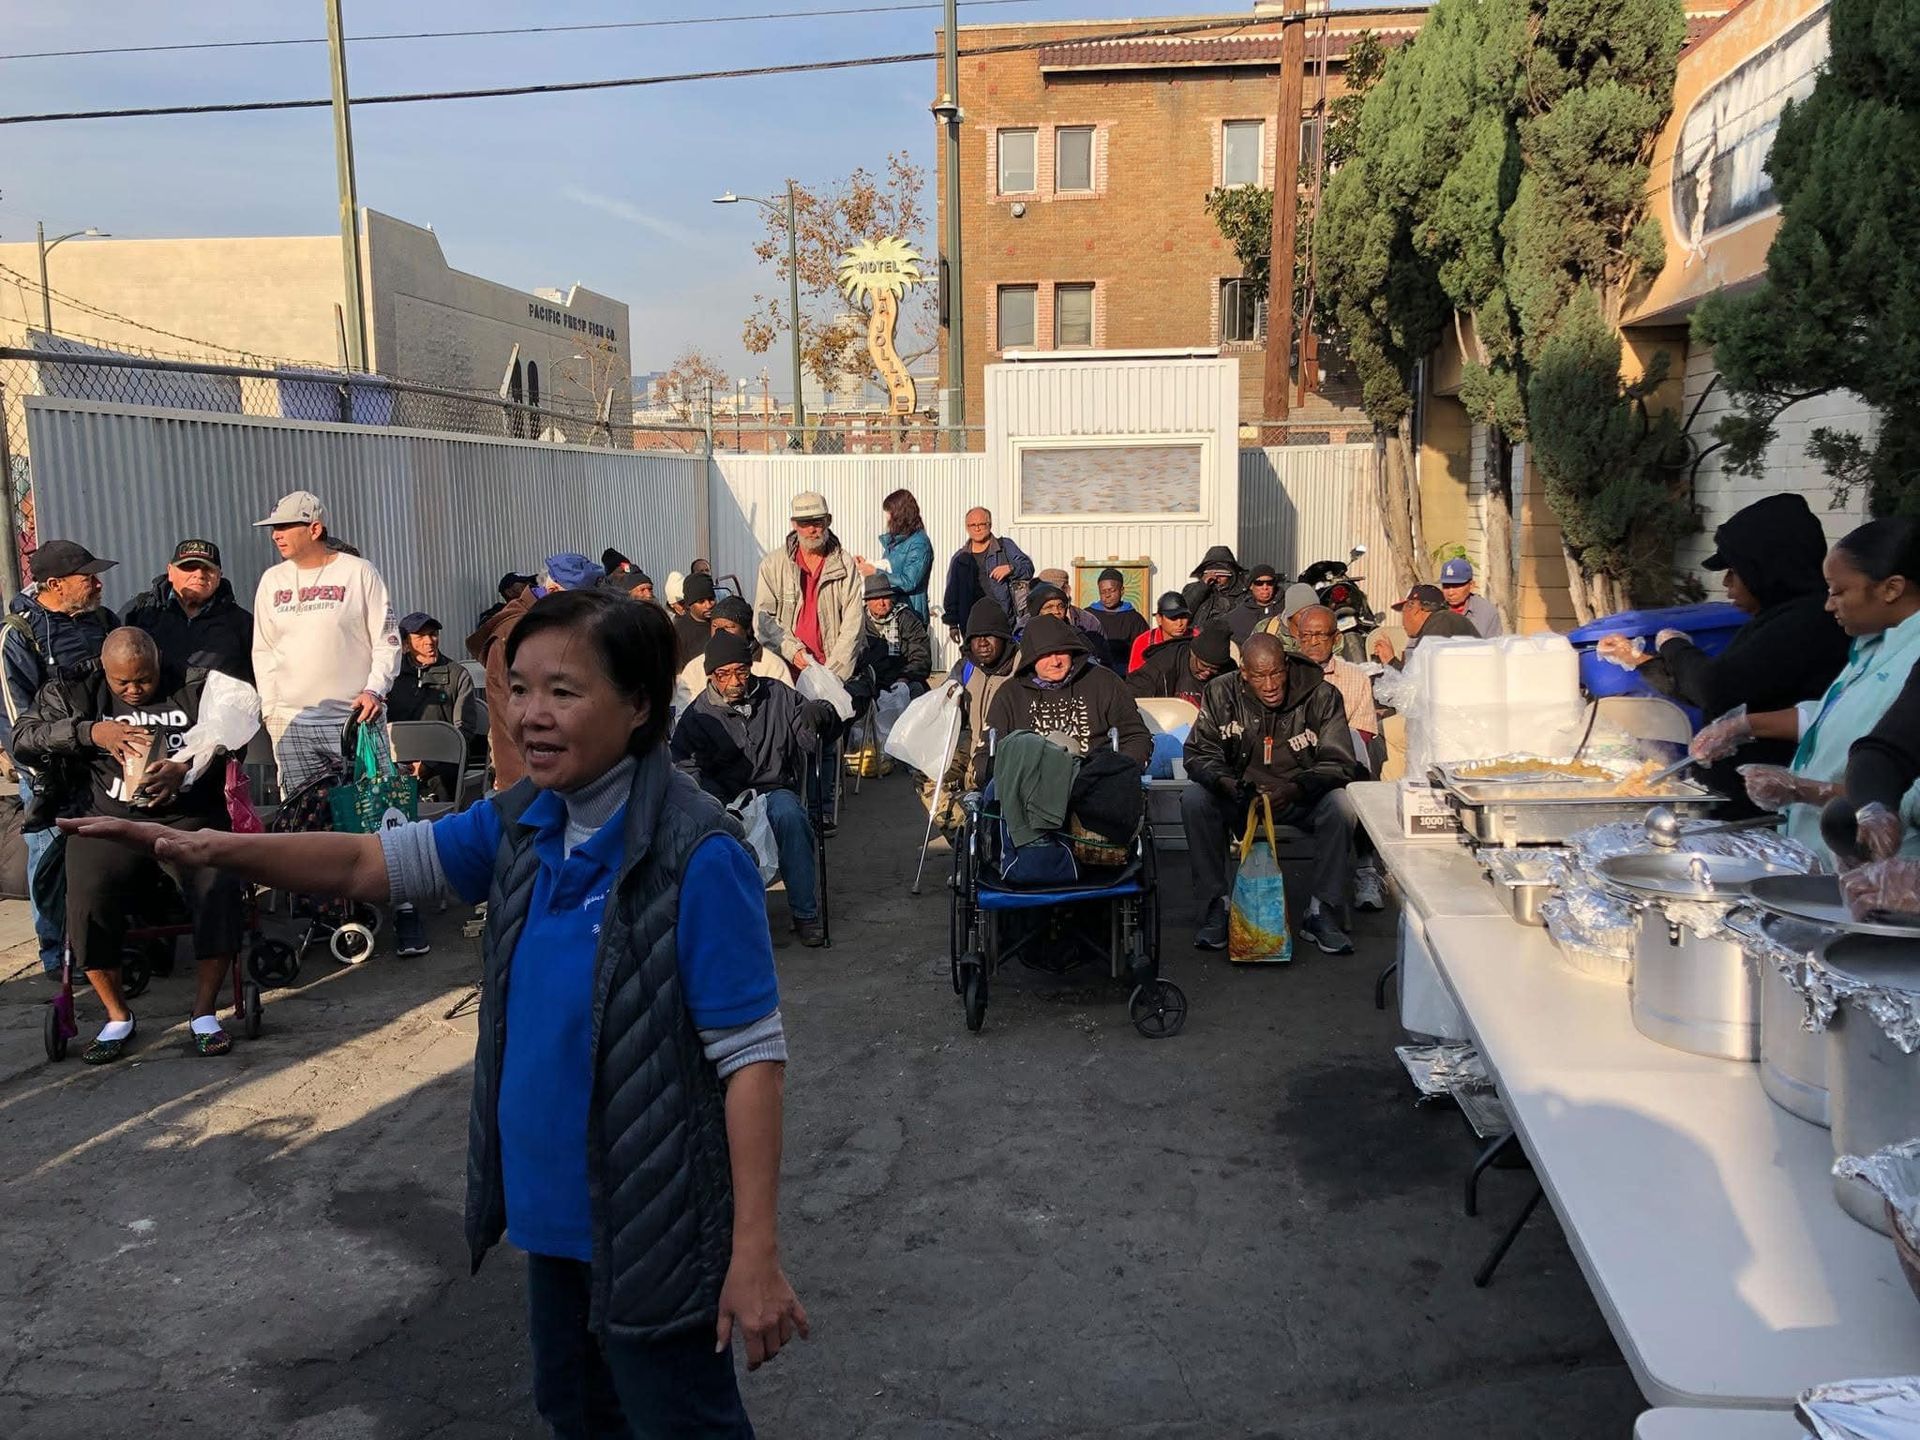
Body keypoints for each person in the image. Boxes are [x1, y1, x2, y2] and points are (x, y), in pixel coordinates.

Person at [62, 590, 807, 1431]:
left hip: (655, 1225)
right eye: (519, 689)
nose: (531, 715)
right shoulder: (525, 820)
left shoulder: (697, 853)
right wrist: (208, 847)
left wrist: (755, 1254)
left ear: (639, 705)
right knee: (576, 1413)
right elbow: (361, 865)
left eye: (563, 692)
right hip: (553, 1225)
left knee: (675, 1421)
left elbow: (751, 1061)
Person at [17, 628, 251, 1061]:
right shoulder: (74, 689)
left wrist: (187, 766)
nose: (134, 690)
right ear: (104, 669)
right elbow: (24, 738)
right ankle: (117, 1016)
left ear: (158, 660)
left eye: (143, 679)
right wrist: (91, 733)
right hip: (109, 820)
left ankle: (204, 1014)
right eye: (122, 682)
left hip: (187, 818)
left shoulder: (195, 683)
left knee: (217, 884)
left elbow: (236, 727)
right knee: (85, 896)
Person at [1597, 493, 1851, 818]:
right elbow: (1715, 690)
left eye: (1734, 570)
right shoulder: (1773, 619)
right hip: (1738, 799)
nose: (1727, 583)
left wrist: (1673, 645)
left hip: (1773, 808)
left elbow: (1715, 686)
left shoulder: (1808, 621)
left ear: (1764, 568)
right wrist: (1637, 660)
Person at [1691, 518, 1920, 864]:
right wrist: (1744, 725)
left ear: (1891, 589)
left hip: (1886, 875)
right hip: (1818, 854)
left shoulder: (1913, 653)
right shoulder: (1875, 642)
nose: (1829, 605)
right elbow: (1836, 715)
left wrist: (1808, 791)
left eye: (1839, 592)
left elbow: (1901, 788)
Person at [1181, 632, 1361, 955]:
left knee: (1342, 804)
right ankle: (1216, 906)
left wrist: (1295, 789)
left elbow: (1339, 762)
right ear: (1243, 674)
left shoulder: (1322, 695)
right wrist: (1226, 783)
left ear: (1287, 666)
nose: (1270, 685)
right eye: (1260, 676)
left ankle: (1322, 911)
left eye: (1277, 672)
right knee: (1194, 799)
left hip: (1300, 796)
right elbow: (1198, 753)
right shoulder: (1220, 692)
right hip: (1239, 796)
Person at [673, 629, 839, 947]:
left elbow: (810, 737)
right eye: (723, 674)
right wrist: (708, 800)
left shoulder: (777, 695)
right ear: (711, 675)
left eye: (741, 671)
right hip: (722, 796)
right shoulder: (697, 715)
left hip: (773, 788)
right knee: (714, 831)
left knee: (791, 816)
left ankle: (805, 913)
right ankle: (731, 919)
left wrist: (821, 716)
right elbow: (684, 768)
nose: (734, 681)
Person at [2, 538, 118, 977]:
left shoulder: (103, 621)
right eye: (87, 577)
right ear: (54, 584)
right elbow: (16, 717)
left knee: (106, 851)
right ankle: (55, 954)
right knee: (48, 857)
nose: (97, 584)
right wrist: (37, 772)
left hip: (101, 761)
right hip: (49, 768)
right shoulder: (19, 635)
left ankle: (107, 941)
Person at [250, 491, 401, 796]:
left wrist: (375, 690)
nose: (276, 536)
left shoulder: (358, 572)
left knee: (372, 812)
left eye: (285, 527)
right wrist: (271, 710)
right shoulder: (272, 580)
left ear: (315, 529)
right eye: (273, 529)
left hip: (354, 720)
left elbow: (387, 641)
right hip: (291, 725)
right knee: (302, 822)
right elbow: (264, 649)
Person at [468, 553, 603, 790]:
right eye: (579, 603)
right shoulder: (517, 632)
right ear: (552, 592)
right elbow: (517, 712)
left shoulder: (546, 623)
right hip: (528, 774)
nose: (586, 613)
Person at [1290, 604, 1386, 909]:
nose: (1313, 642)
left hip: (1339, 765)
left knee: (1360, 780)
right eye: (1306, 636)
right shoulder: (1285, 674)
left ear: (1336, 639)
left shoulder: (1354, 678)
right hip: (1292, 764)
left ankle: (1366, 870)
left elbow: (1362, 734)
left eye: (1321, 635)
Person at [984, 615, 1151, 766]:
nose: (1055, 661)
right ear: (1031, 659)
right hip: (1029, 785)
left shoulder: (1104, 682)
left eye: (1061, 652)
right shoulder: (1010, 694)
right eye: (1045, 655)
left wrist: (1118, 771)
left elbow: (1136, 737)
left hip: (1094, 782)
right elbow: (986, 752)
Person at [754, 491, 867, 681]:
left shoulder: (844, 564)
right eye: (804, 523)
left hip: (833, 670)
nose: (811, 530)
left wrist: (832, 675)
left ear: (828, 521)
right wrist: (792, 651)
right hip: (786, 670)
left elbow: (853, 623)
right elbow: (764, 619)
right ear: (794, 524)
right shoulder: (772, 565)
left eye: (817, 522)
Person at [125, 538, 254, 682]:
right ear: (170, 571)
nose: (199, 574)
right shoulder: (140, 611)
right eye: (189, 566)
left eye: (208, 568)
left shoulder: (242, 623)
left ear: (218, 576)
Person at [943, 597, 1021, 796]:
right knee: (929, 776)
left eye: (990, 635)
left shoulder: (1021, 668)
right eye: (976, 637)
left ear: (1004, 637)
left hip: (1008, 755)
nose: (983, 643)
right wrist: (949, 696)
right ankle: (961, 821)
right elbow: (944, 706)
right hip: (972, 744)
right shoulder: (966, 667)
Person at [674, 596, 789, 712]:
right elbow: (683, 716)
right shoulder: (695, 669)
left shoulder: (772, 666)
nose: (720, 632)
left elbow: (786, 710)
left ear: (747, 629)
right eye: (715, 626)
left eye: (728, 627)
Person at [941, 507, 1034, 640]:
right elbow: (952, 593)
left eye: (981, 524)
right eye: (972, 525)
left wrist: (1011, 568)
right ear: (967, 528)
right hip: (971, 625)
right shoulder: (960, 558)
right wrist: (952, 624)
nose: (977, 528)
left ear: (989, 525)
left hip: (1004, 621)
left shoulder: (1005, 547)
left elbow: (1028, 568)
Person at [859, 573, 932, 698]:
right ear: (867, 601)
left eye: (885, 597)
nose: (881, 603)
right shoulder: (858, 622)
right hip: (871, 682)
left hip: (903, 680)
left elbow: (921, 656)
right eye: (876, 598)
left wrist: (904, 678)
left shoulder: (907, 619)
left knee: (916, 690)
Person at [866, 488, 933, 623]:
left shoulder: (919, 544)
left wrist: (875, 572)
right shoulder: (897, 542)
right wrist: (868, 565)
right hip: (893, 612)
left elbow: (910, 582)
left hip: (911, 614)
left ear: (900, 515)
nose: (887, 518)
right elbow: (890, 567)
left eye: (889, 513)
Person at [1370, 583, 1477, 667]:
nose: (1403, 620)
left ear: (1415, 608)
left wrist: (1391, 661)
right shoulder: (1443, 621)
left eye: (1403, 612)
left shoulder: (1440, 623)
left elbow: (1417, 684)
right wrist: (1390, 661)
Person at [1127, 623, 1235, 706]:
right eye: (1203, 665)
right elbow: (1133, 694)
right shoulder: (1163, 663)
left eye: (1214, 669)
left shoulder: (1229, 673)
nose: (1207, 672)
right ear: (1192, 653)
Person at [1025, 574, 1113, 668]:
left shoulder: (1078, 636)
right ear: (1037, 612)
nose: (1056, 611)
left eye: (1061, 606)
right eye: (1049, 607)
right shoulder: (1025, 635)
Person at [1181, 545, 1248, 634]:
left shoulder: (1243, 593)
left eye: (1222, 574)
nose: (1216, 578)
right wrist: (1202, 587)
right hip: (1198, 640)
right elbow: (1182, 612)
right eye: (1210, 574)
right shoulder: (1192, 589)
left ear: (1232, 574)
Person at [1085, 568, 1149, 656]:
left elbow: (1143, 649)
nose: (1107, 595)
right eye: (1103, 592)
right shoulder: (1087, 616)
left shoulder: (1134, 619)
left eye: (1112, 590)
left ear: (1122, 590)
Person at [1128, 592, 1193, 673]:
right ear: (1159, 619)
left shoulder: (1197, 638)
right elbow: (1134, 678)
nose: (1179, 623)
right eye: (1173, 618)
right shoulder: (1143, 642)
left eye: (1184, 617)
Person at [1437, 558, 1502, 637]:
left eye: (1456, 586)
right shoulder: (1432, 609)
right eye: (1446, 586)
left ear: (1471, 585)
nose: (1450, 593)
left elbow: (1493, 646)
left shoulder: (1486, 612)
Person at [1226, 565, 1287, 645]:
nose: (1265, 587)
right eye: (1259, 583)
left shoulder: (1286, 609)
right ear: (1251, 586)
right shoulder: (1239, 614)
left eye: (1270, 583)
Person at [675, 573, 717, 669]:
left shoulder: (723, 622)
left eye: (711, 599)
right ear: (689, 604)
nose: (708, 605)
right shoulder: (679, 631)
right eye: (701, 601)